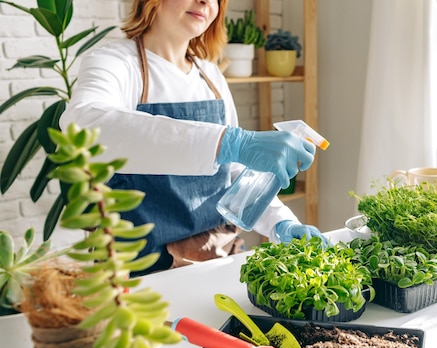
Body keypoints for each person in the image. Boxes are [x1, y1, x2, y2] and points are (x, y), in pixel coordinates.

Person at [59, 0, 326, 276]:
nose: (205, 2)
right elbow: (83, 125)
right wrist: (230, 142)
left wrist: (281, 224)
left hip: (217, 254)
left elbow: (234, 174)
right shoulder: (116, 62)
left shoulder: (209, 75)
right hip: (139, 266)